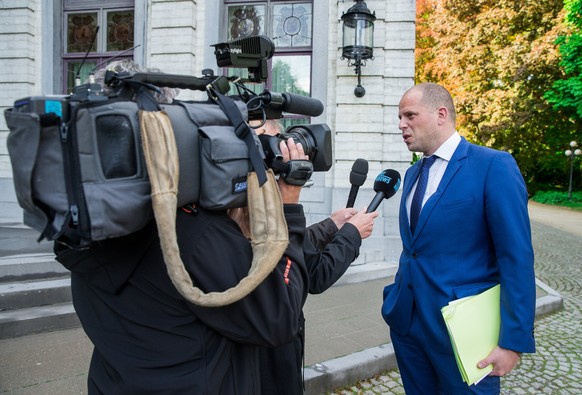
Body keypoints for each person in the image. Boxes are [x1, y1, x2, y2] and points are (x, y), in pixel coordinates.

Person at [56, 60, 311, 394]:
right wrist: (288, 208)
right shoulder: (194, 234)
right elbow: (279, 319)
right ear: (166, 128)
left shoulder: (83, 224)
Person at [381, 82, 536, 394]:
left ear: (441, 114)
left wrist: (513, 342)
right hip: (409, 326)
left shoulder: (493, 165)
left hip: (464, 333)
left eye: (409, 115)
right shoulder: (412, 174)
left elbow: (516, 258)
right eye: (399, 117)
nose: (401, 125)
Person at [252, 119, 380, 394]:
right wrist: (352, 234)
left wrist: (332, 225)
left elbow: (293, 245)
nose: (282, 155)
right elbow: (316, 273)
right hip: (267, 357)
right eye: (271, 145)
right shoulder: (252, 204)